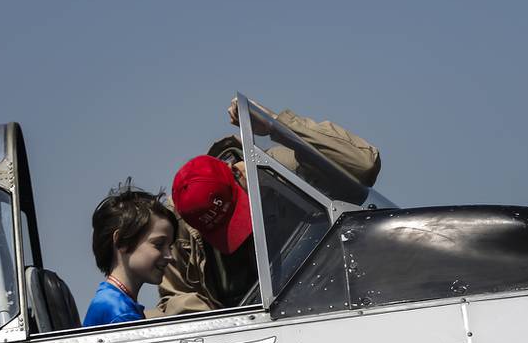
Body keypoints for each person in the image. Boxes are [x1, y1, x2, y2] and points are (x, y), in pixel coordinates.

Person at [149, 99, 381, 317]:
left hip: (332, 301)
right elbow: (175, 298)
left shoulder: (282, 172)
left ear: (238, 173)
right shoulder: (177, 226)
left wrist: (276, 125)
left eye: (234, 217)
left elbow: (364, 164)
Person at [82, 186, 179, 327]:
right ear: (122, 240)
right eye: (158, 244)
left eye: (169, 247)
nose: (169, 256)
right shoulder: (120, 314)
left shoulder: (112, 300)